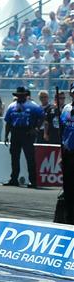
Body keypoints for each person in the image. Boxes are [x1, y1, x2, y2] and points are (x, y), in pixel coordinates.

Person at [3, 87, 45, 188]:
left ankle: (33, 181)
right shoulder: (12, 106)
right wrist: (6, 135)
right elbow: (8, 122)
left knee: (30, 158)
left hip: (27, 133)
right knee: (14, 157)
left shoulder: (33, 105)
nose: (20, 97)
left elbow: (42, 116)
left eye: (22, 95)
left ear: (26, 95)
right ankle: (14, 179)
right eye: (18, 95)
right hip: (15, 132)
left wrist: (36, 128)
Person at [59, 84, 74, 223]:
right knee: (68, 186)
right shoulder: (66, 109)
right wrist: (60, 154)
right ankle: (69, 218)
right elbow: (63, 132)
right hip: (68, 152)